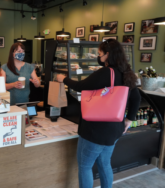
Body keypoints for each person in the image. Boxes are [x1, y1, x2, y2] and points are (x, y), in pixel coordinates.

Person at [57, 39, 141, 188]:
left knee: (85, 166)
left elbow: (81, 86)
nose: (99, 57)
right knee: (104, 164)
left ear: (107, 55)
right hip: (115, 130)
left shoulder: (106, 72)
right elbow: (136, 98)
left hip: (95, 130)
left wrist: (64, 79)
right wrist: (129, 119)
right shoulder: (126, 73)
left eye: (100, 54)